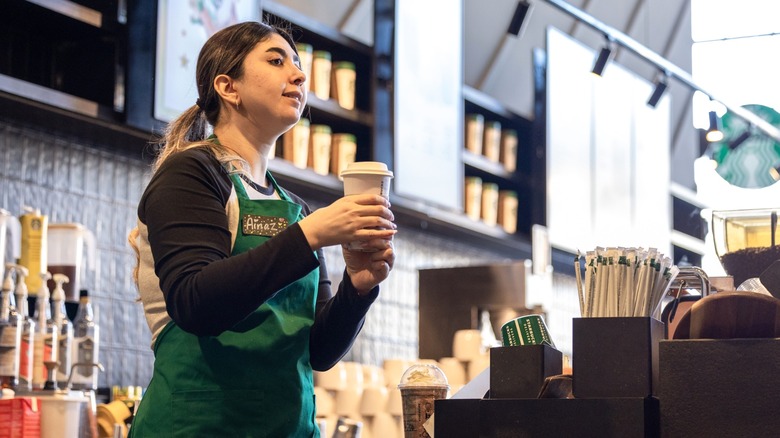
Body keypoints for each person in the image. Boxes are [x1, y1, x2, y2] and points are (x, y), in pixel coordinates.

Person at [127, 21, 396, 437]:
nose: (299, 74)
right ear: (228, 87)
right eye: (276, 60)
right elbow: (195, 302)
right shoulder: (190, 172)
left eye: (298, 64)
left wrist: (357, 288)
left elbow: (319, 352)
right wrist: (308, 236)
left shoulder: (295, 208)